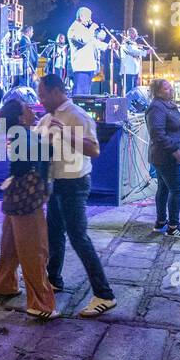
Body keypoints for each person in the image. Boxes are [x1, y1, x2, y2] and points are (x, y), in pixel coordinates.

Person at [36, 74, 116, 317]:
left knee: (79, 238)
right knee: (54, 234)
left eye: (42, 94)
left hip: (75, 183)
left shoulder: (77, 115)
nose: (40, 100)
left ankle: (104, 294)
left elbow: (94, 149)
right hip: (57, 182)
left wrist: (65, 134)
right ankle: (54, 279)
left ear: (56, 91)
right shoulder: (48, 117)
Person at [0, 97, 56, 319]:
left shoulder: (21, 134)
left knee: (10, 245)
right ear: (20, 116)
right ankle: (40, 303)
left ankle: (4, 283)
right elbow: (28, 162)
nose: (32, 109)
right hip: (26, 198)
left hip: (16, 196)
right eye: (27, 108)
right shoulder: (24, 135)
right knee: (34, 249)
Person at [146, 78, 180, 238]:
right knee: (177, 188)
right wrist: (175, 151)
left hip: (166, 156)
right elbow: (157, 133)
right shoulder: (157, 108)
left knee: (164, 188)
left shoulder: (167, 105)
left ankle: (160, 222)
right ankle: (173, 225)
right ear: (157, 92)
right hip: (165, 156)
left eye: (170, 88)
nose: (171, 90)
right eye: (167, 89)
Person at [66, 7, 103, 96]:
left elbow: (93, 42)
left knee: (86, 95)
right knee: (80, 95)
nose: (90, 19)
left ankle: (83, 110)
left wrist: (107, 46)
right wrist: (92, 28)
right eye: (88, 16)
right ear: (81, 16)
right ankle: (77, 109)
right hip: (81, 67)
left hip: (88, 66)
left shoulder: (84, 29)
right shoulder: (74, 28)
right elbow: (84, 40)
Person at [118, 29, 146, 95]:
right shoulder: (126, 42)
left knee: (134, 90)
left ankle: (132, 104)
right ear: (130, 34)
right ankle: (127, 104)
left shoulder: (133, 43)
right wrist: (145, 52)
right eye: (135, 33)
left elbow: (136, 54)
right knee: (129, 90)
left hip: (134, 70)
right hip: (128, 70)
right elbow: (132, 52)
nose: (137, 34)